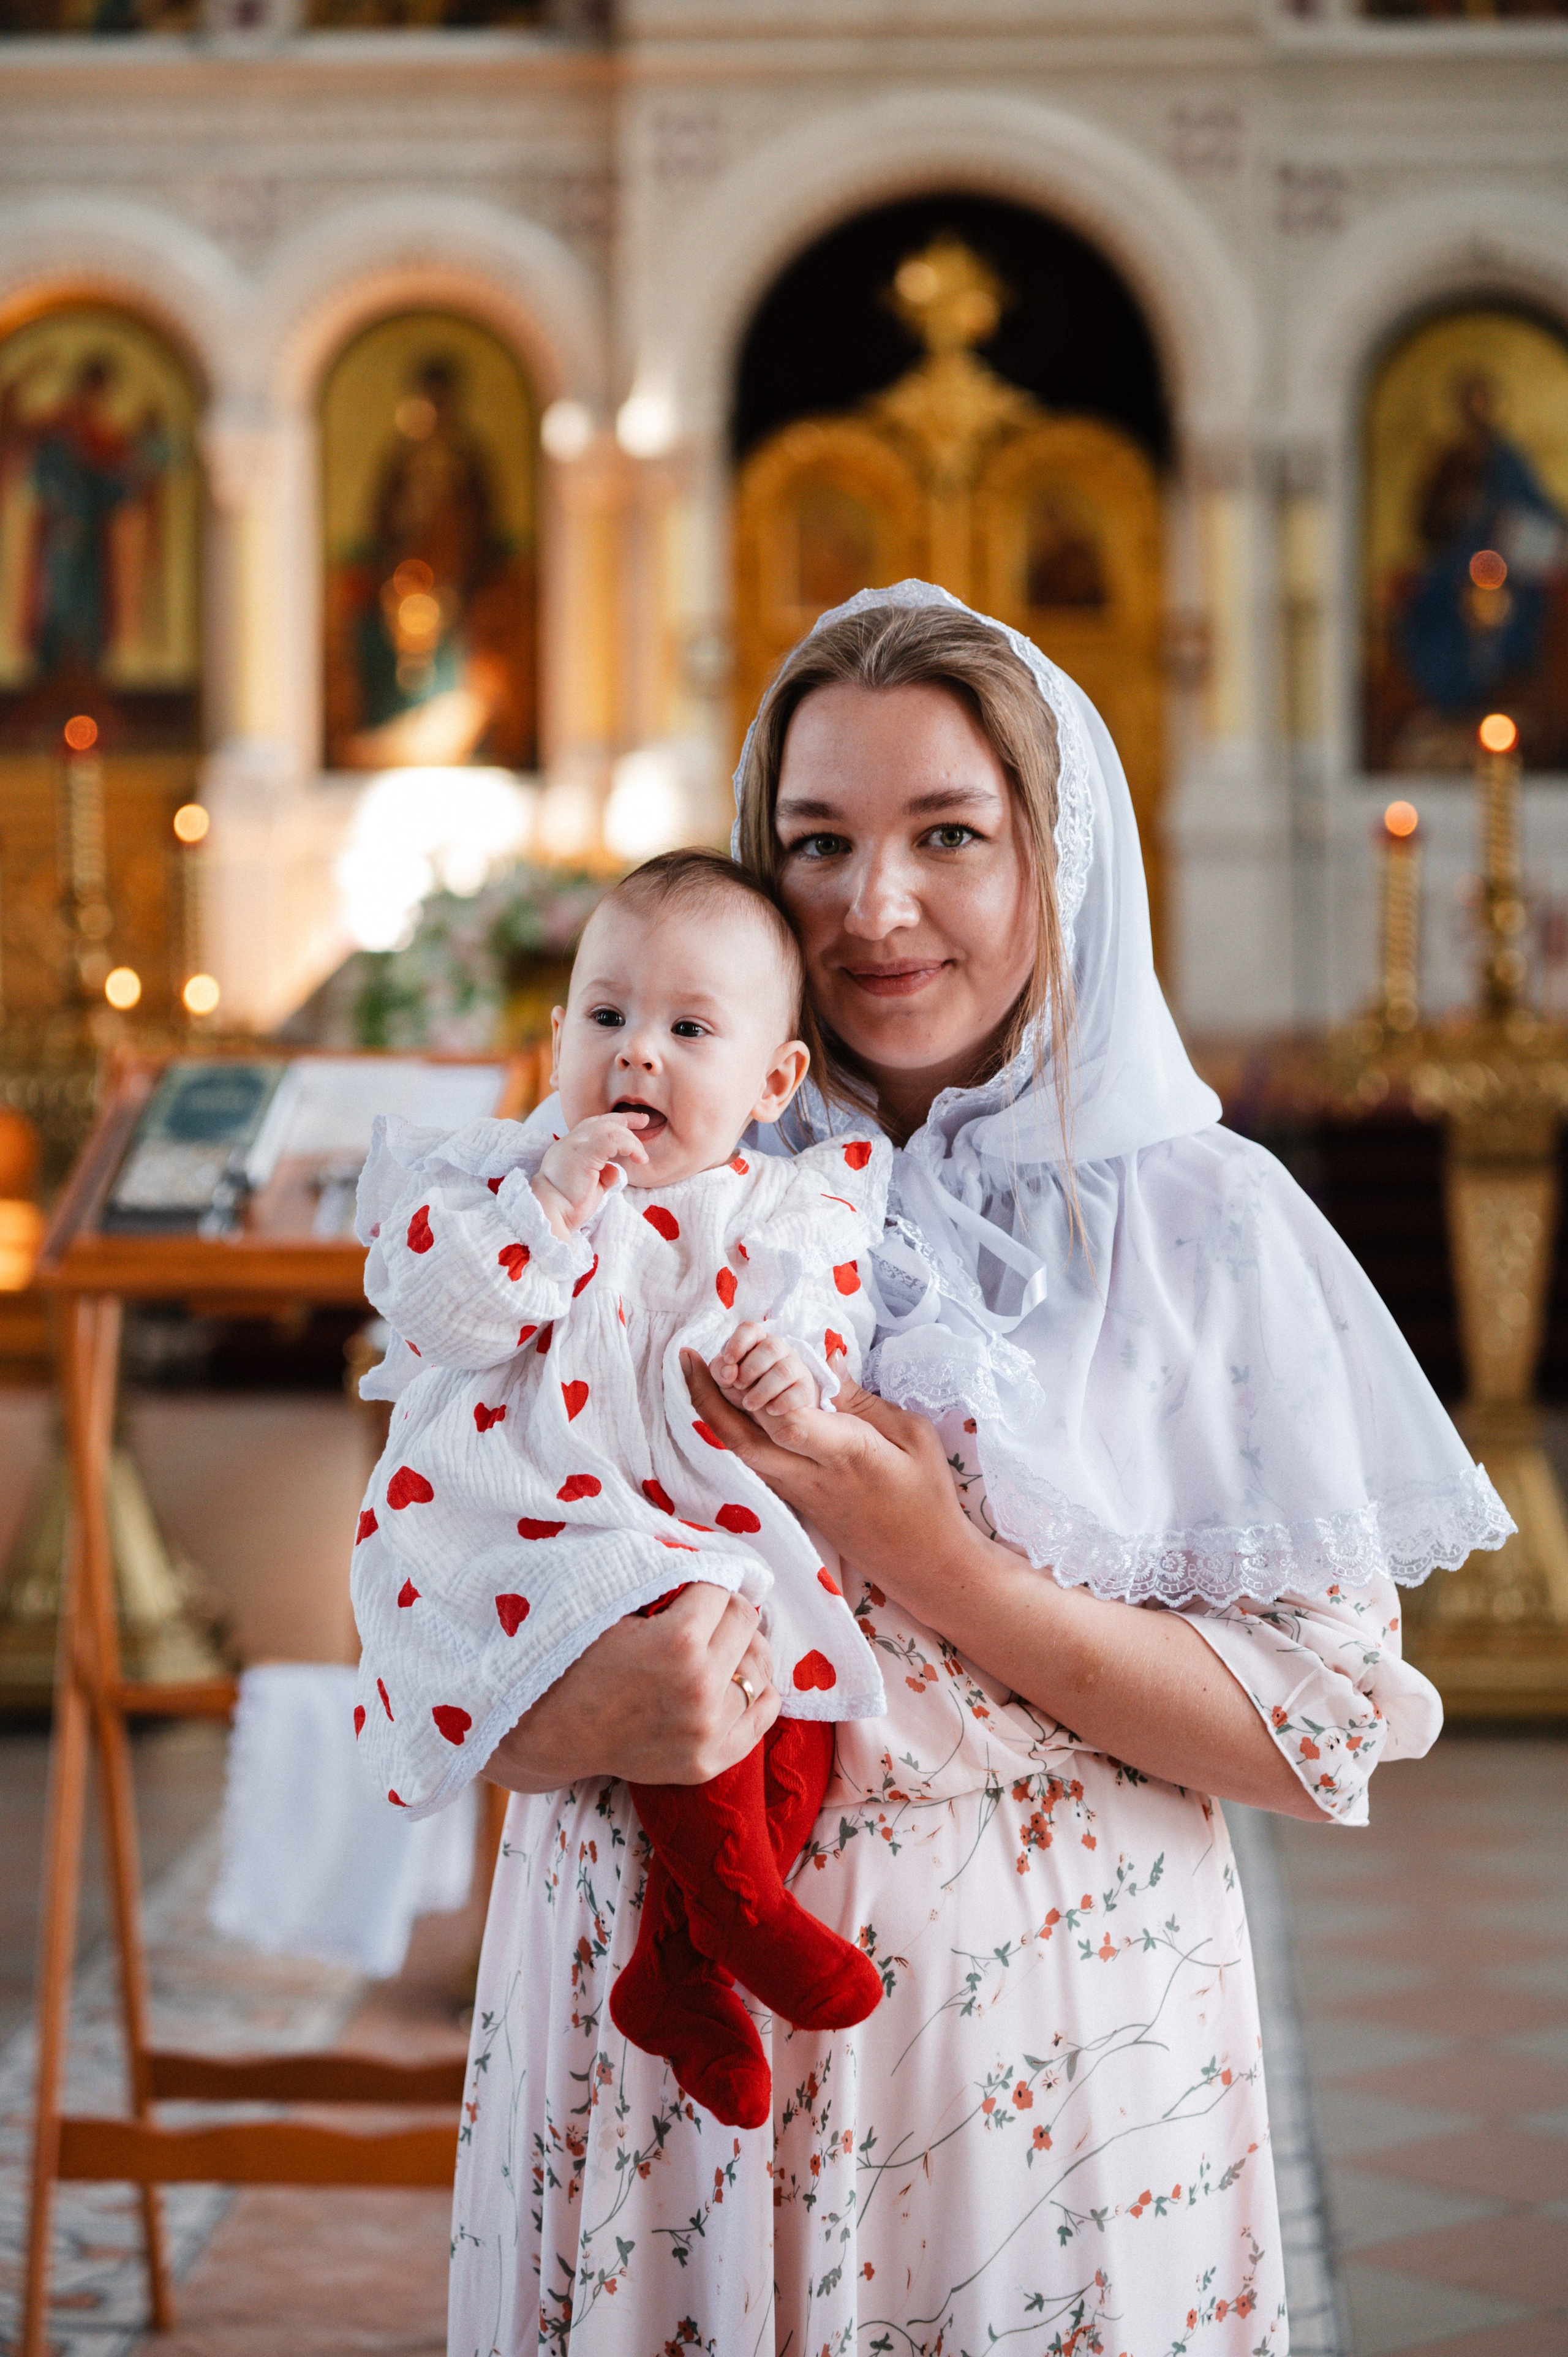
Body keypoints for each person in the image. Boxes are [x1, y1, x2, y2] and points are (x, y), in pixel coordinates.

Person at [449, 583, 1510, 2355]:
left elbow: (1310, 1737)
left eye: (952, 834)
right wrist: (588, 1711)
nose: (876, 909)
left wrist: (930, 1558)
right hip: (645, 2033)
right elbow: (425, 1618)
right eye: (816, 843)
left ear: (1061, 852)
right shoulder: (617, 1180)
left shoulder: (1205, 1224)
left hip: (1045, 2047)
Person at [351, 850, 888, 2130]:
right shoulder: (492, 1173)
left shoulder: (778, 1207)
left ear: (772, 1083)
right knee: (675, 1641)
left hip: (696, 1521)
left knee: (803, 1685)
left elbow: (824, 1331)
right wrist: (545, 1205)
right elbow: (431, 1308)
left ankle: (680, 1959)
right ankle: (746, 1919)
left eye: (687, 1029)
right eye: (606, 1017)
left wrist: (787, 1365)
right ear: (554, 1041)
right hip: (533, 1519)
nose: (636, 1055)